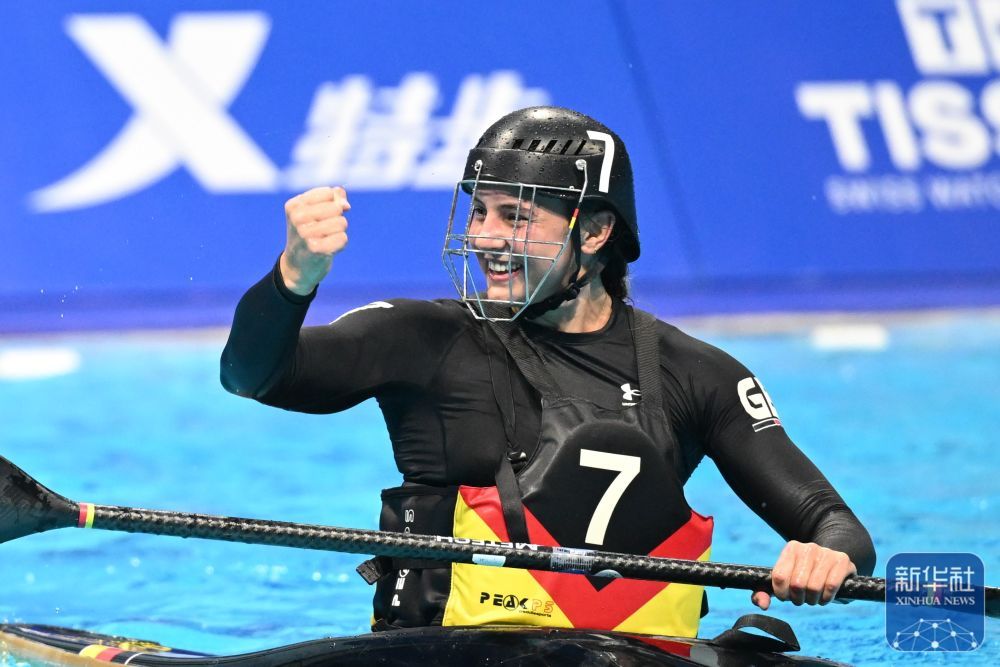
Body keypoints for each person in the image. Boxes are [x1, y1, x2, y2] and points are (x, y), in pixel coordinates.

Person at [221, 106, 875, 637]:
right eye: (479, 211)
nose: (485, 236)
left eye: (516, 216)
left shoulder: (697, 373)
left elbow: (834, 524)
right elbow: (254, 375)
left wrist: (826, 555)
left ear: (593, 232)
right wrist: (293, 278)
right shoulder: (421, 338)